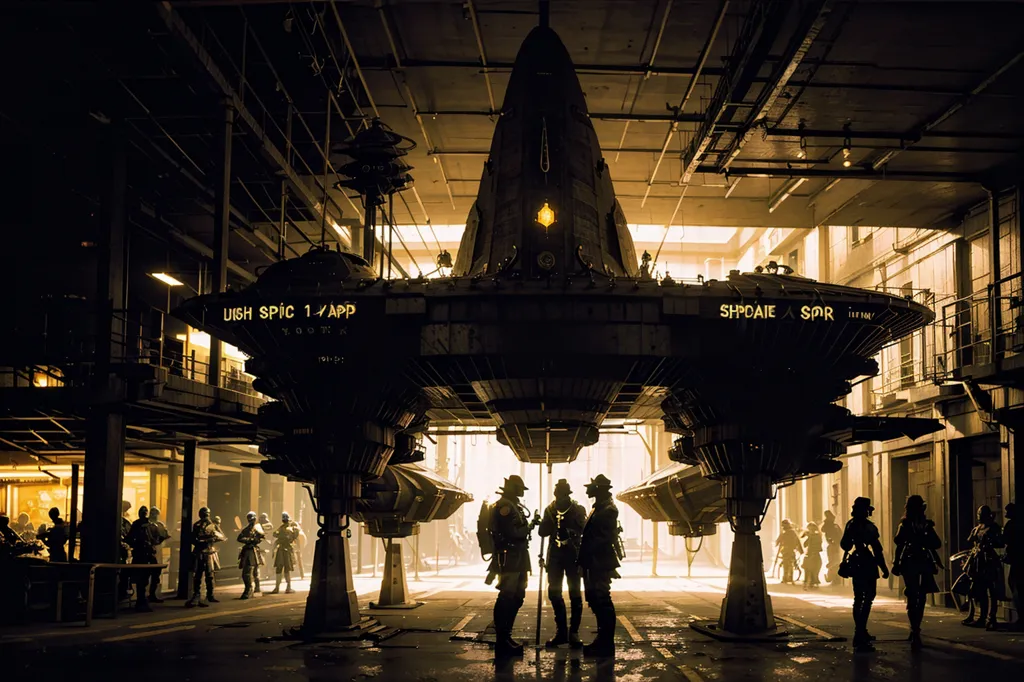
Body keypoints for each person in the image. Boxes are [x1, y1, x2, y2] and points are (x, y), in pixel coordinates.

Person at [487, 474, 540, 657]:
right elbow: (513, 533)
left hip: (518, 556)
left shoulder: (512, 505)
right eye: (518, 489)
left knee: (517, 596)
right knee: (507, 597)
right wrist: (531, 525)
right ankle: (502, 640)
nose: (520, 492)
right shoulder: (505, 507)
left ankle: (506, 636)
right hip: (510, 557)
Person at [538, 478, 587, 649]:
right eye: (558, 494)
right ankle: (561, 632)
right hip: (555, 557)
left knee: (575, 594)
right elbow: (542, 532)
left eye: (563, 494)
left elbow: (583, 531)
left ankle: (573, 633)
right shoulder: (549, 510)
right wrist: (544, 523)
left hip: (573, 554)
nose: (560, 497)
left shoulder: (578, 510)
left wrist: (570, 532)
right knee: (554, 593)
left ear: (568, 494)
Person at [578, 474, 622, 657]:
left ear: (599, 490)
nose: (588, 489)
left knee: (602, 600)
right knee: (595, 600)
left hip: (599, 562)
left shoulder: (608, 510)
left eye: (592, 487)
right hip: (592, 562)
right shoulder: (600, 508)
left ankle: (605, 643)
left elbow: (601, 539)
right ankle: (602, 641)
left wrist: (587, 555)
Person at [891, 494, 941, 648]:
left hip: (912, 561)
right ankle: (915, 628)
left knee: (914, 595)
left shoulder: (908, 524)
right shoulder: (917, 524)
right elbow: (936, 543)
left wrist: (897, 562)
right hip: (919, 560)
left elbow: (899, 543)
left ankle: (915, 629)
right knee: (919, 596)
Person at [840, 497, 890, 653]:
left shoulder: (850, 524)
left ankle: (860, 631)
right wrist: (884, 567)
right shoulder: (869, 527)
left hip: (856, 563)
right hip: (868, 563)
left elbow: (845, 545)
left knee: (858, 598)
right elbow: (877, 549)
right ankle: (860, 633)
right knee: (868, 598)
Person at [962, 505, 1005, 630]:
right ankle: (982, 617)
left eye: (981, 514)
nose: (979, 516)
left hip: (989, 560)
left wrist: (990, 541)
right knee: (980, 591)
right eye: (978, 513)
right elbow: (971, 541)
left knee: (992, 590)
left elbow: (1000, 542)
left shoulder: (993, 528)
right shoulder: (977, 528)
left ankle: (991, 618)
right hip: (978, 561)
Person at [186, 507, 226, 608]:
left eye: (207, 514)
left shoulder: (213, 525)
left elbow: (223, 537)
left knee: (210, 575)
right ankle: (197, 594)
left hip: (209, 551)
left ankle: (210, 595)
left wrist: (214, 538)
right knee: (198, 574)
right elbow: (192, 538)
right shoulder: (197, 525)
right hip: (199, 551)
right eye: (204, 514)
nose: (206, 516)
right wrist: (200, 541)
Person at [125, 506, 157, 612]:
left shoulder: (151, 525)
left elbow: (157, 537)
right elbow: (130, 539)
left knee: (150, 576)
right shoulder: (136, 525)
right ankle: (141, 600)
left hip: (148, 554)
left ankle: (147, 597)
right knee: (141, 579)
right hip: (140, 554)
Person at [1004, 502, 1023, 631]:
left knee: (1016, 585)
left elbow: (1004, 539)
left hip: (1017, 560)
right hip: (1017, 559)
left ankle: (1021, 617)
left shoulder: (1012, 525)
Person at [237, 511, 265, 600]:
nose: (252, 521)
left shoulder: (258, 528)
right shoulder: (246, 530)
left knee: (256, 572)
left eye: (253, 519)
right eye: (250, 519)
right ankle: (248, 589)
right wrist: (250, 540)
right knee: (246, 573)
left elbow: (262, 537)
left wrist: (258, 538)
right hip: (248, 551)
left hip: (254, 550)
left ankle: (257, 589)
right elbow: (240, 538)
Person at [270, 512, 300, 594]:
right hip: (286, 550)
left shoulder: (281, 529)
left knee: (283, 568)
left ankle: (280, 587)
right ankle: (286, 587)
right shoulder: (289, 529)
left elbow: (276, 538)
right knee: (286, 569)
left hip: (283, 550)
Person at [146, 507, 171, 602]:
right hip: (147, 551)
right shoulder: (146, 524)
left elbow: (166, 535)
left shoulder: (160, 525)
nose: (153, 515)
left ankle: (152, 593)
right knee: (146, 574)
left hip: (157, 550)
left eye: (155, 513)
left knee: (156, 574)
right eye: (152, 513)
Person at [776, 519, 803, 584]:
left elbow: (778, 541)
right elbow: (797, 542)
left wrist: (800, 550)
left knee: (788, 564)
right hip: (788, 551)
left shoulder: (788, 533)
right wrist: (800, 550)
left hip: (788, 551)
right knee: (789, 564)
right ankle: (788, 578)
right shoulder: (789, 533)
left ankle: (787, 578)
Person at [822, 510, 842, 584]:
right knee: (835, 561)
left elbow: (823, 530)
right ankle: (834, 578)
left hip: (832, 545)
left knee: (833, 561)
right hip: (835, 545)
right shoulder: (834, 525)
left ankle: (831, 578)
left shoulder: (829, 525)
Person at [802, 522, 823, 589]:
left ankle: (809, 581)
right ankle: (813, 581)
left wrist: (808, 536)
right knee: (814, 568)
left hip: (812, 554)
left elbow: (805, 544)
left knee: (808, 568)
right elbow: (805, 544)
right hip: (815, 554)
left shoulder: (813, 536)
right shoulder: (818, 536)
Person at [258, 512, 274, 589]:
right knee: (264, 561)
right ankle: (265, 574)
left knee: (266, 561)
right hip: (265, 545)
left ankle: (267, 574)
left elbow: (266, 534)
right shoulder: (263, 525)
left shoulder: (266, 525)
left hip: (266, 545)